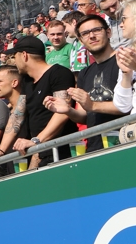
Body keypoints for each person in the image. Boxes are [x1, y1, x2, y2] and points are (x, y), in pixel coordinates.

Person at [46, 14, 125, 153]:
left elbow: (128, 105)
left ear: (108, 32)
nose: (92, 36)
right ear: (81, 40)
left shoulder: (124, 62)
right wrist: (68, 111)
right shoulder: (84, 73)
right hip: (95, 148)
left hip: (124, 143)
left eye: (96, 30)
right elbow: (84, 116)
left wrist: (92, 105)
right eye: (85, 33)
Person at [8, 37, 76, 166]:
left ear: (24, 55)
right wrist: (0, 150)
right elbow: (17, 115)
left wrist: (37, 140)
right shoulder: (26, 81)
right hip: (40, 152)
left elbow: (62, 112)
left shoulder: (59, 73)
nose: (14, 61)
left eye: (14, 56)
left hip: (60, 152)